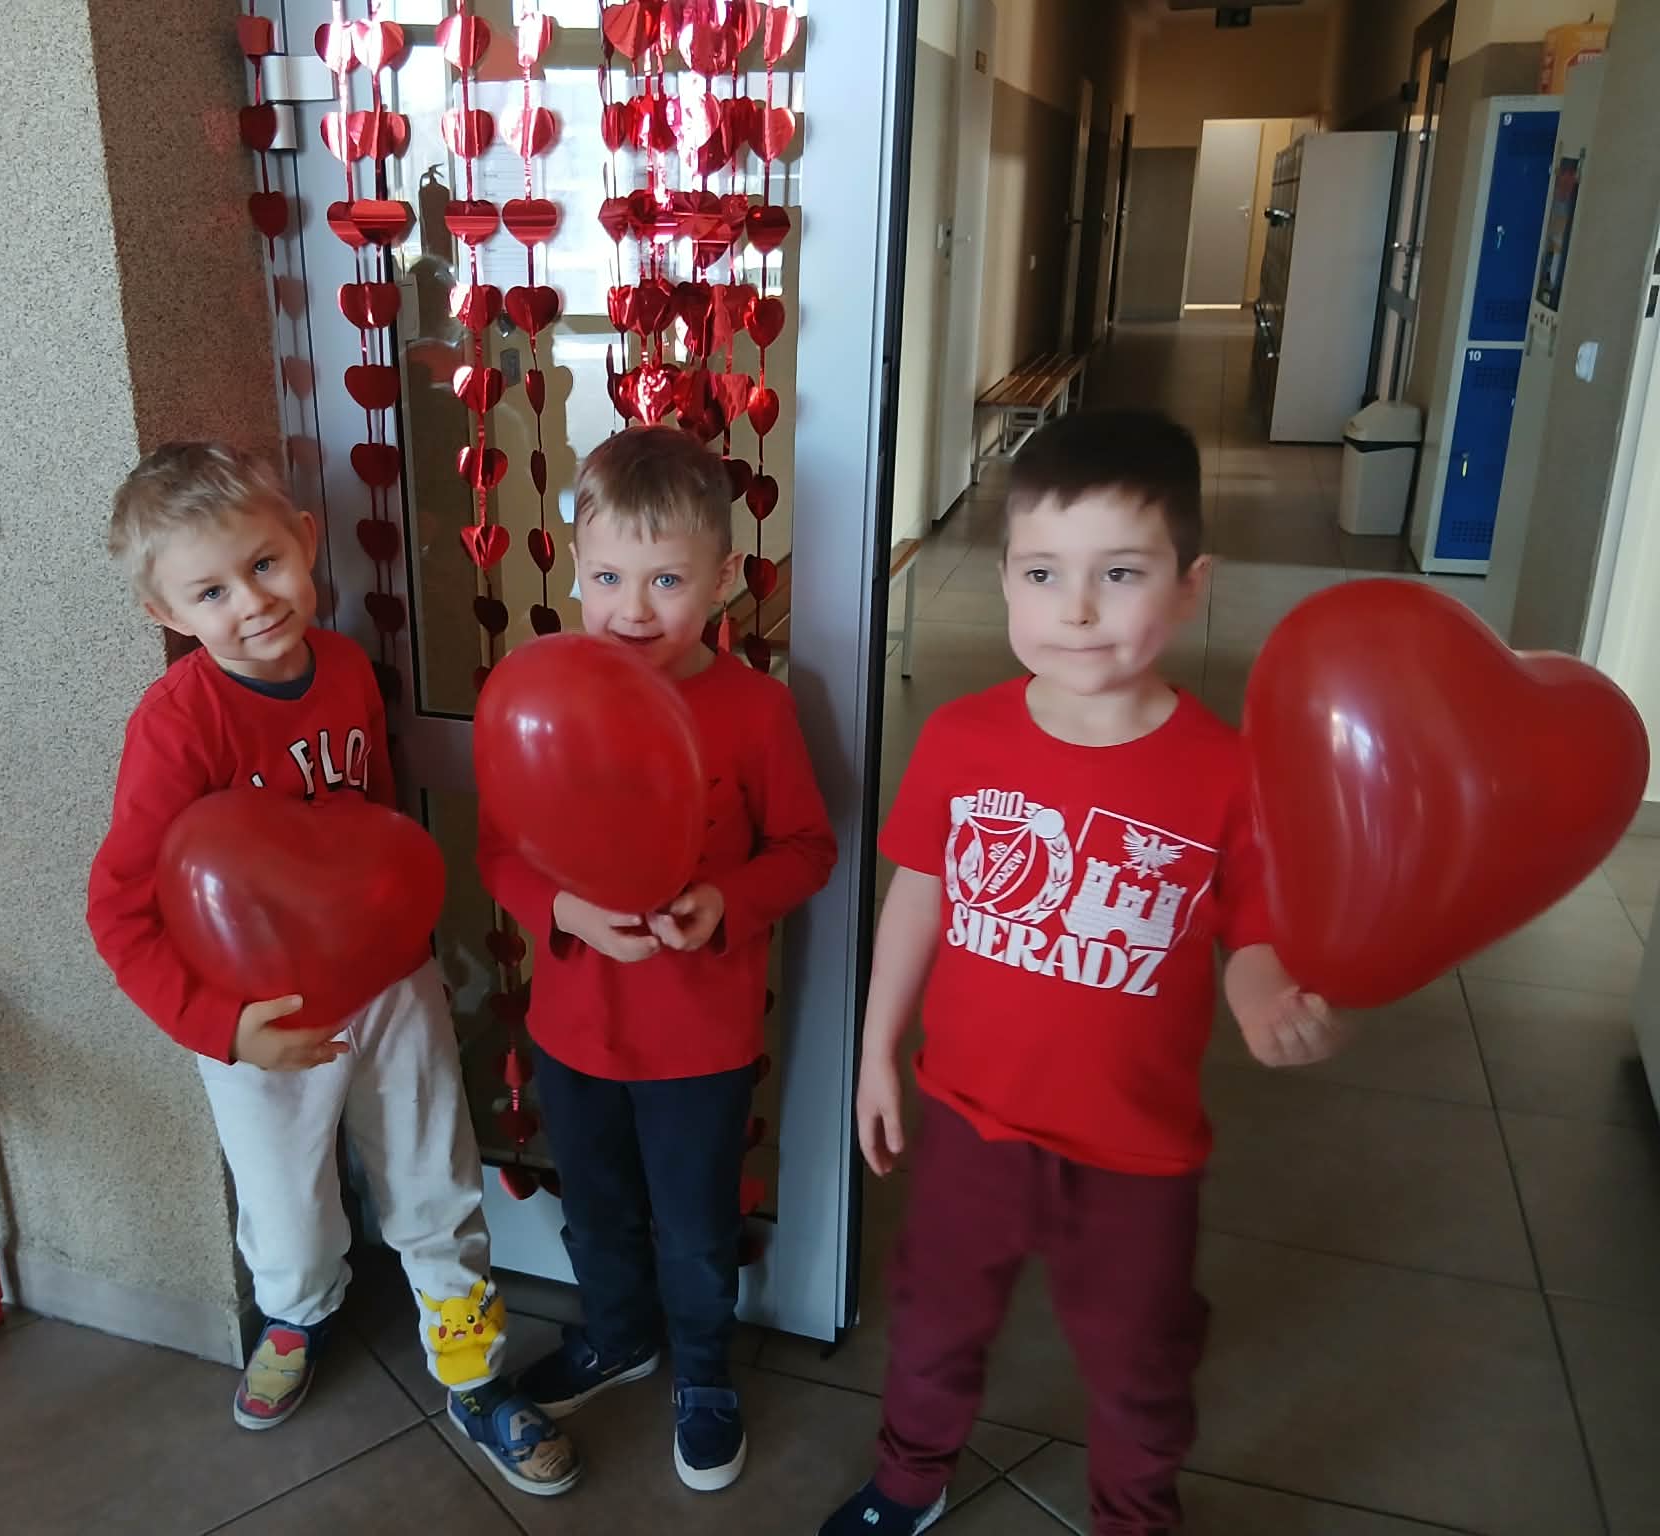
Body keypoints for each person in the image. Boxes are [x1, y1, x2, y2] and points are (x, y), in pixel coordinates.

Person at [819, 409, 1351, 1536]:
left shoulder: (1228, 773)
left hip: (1136, 1153)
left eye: (1119, 572)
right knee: (933, 1322)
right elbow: (919, 892)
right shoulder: (961, 739)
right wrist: (874, 1049)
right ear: (1004, 580)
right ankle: (908, 1481)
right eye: (1041, 572)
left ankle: (1134, 1515)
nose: (1074, 610)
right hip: (970, 1120)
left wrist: (1269, 999)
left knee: (1140, 1362)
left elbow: (1251, 929)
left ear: (1190, 585)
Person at [86, 443, 579, 1497]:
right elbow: (119, 911)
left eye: (264, 564)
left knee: (434, 1177)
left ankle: (473, 1369)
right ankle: (296, 1315)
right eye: (211, 592)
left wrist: (408, 936)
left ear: (306, 542)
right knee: (288, 1213)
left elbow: (376, 830)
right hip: (259, 1019)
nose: (252, 602)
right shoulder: (177, 727)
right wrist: (223, 1029)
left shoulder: (348, 669)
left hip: (391, 986)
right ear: (164, 613)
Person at [479, 426, 837, 1492]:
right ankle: (618, 1336)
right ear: (573, 570)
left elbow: (807, 848)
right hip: (574, 1029)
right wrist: (566, 913)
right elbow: (500, 849)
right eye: (608, 578)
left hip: (700, 1040)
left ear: (723, 580)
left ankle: (703, 1370)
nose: (633, 608)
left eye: (667, 580)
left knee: (693, 1226)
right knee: (595, 1212)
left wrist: (725, 901)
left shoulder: (756, 709)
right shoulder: (547, 696)